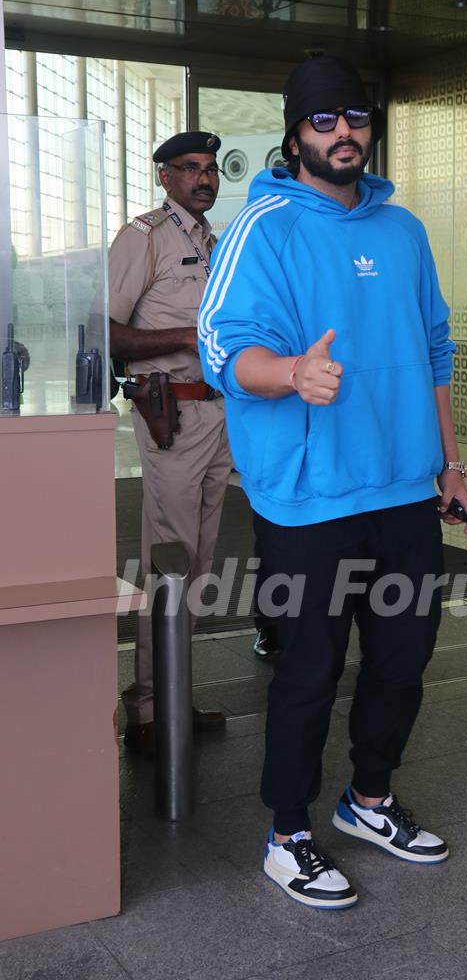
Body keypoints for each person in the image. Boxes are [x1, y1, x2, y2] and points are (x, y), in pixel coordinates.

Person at [197, 55, 467, 909]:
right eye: (325, 120)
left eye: (355, 117)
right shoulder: (266, 226)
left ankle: (369, 800)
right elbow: (219, 345)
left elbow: (435, 351)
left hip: (402, 490)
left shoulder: (405, 231)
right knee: (309, 669)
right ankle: (288, 832)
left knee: (403, 658)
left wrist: (451, 463)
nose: (343, 132)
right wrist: (287, 374)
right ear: (295, 134)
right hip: (309, 498)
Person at [109, 131, 233, 756]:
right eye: (191, 169)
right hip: (171, 419)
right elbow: (107, 333)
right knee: (170, 561)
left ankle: (174, 696)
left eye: (210, 169)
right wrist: (191, 333)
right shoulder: (145, 237)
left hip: (218, 418)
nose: (204, 178)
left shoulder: (215, 240)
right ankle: (149, 708)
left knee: (201, 563)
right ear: (164, 177)